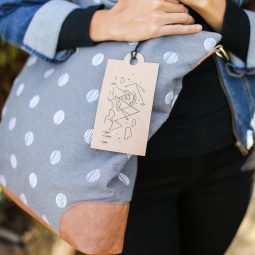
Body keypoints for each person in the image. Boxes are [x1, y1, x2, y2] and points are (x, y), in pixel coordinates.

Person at [0, 0, 255, 254]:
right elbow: (9, 10)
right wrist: (100, 23)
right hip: (117, 175)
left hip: (229, 154)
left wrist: (221, 11)